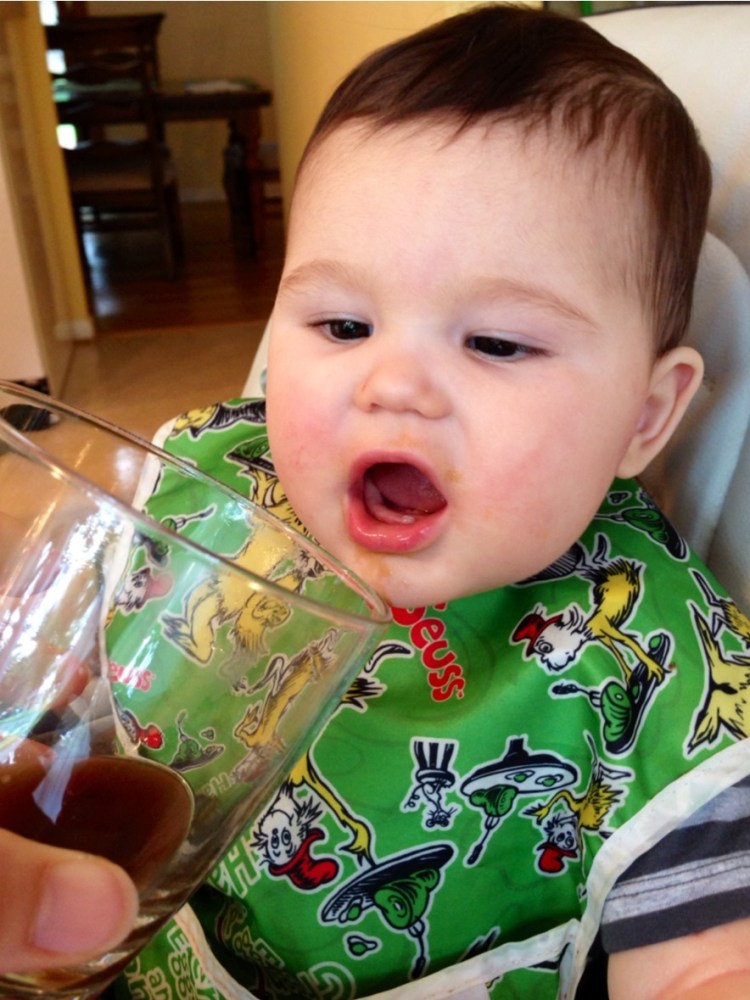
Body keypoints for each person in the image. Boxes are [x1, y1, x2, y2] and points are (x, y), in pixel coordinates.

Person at [4, 5, 750, 998]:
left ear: (644, 418)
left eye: (496, 343)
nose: (391, 385)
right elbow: (76, 693)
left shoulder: (655, 670)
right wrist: (54, 715)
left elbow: (705, 962)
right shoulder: (210, 494)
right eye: (343, 325)